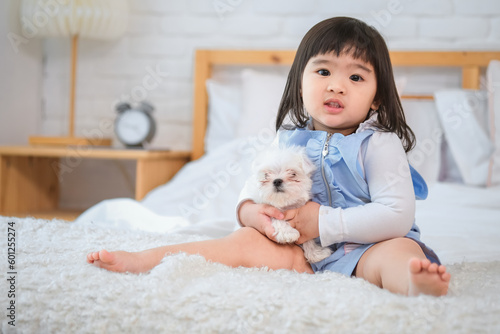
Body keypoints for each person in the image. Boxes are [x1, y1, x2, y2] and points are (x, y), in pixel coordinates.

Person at [87, 17, 450, 297]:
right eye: (323, 71)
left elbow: (397, 215)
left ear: (376, 98)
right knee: (238, 243)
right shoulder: (288, 138)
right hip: (299, 253)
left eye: (356, 77)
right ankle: (144, 260)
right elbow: (252, 191)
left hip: (366, 250)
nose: (336, 85)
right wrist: (250, 214)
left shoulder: (378, 144)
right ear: (300, 81)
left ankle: (415, 283)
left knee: (399, 250)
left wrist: (323, 223)